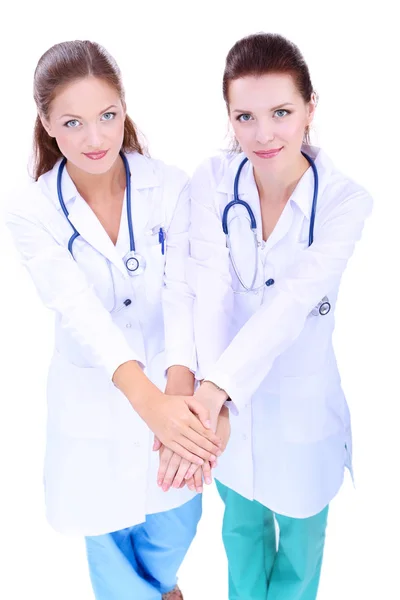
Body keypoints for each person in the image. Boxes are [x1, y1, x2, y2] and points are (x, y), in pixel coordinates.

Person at [5, 40, 224, 600]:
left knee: (175, 523)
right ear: (48, 126)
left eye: (107, 116)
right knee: (106, 538)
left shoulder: (168, 185)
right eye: (73, 123)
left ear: (124, 108)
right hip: (93, 398)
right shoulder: (33, 212)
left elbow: (182, 293)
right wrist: (149, 404)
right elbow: (79, 312)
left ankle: (164, 586)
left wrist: (175, 398)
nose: (95, 138)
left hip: (173, 382)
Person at [167, 32, 373, 600]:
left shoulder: (344, 201)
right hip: (230, 415)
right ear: (229, 118)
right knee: (240, 536)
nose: (263, 134)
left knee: (300, 556)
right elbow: (205, 290)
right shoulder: (212, 180)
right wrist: (215, 399)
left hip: (302, 414)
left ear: (310, 108)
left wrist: (213, 392)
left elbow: (292, 305)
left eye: (281, 112)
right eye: (246, 116)